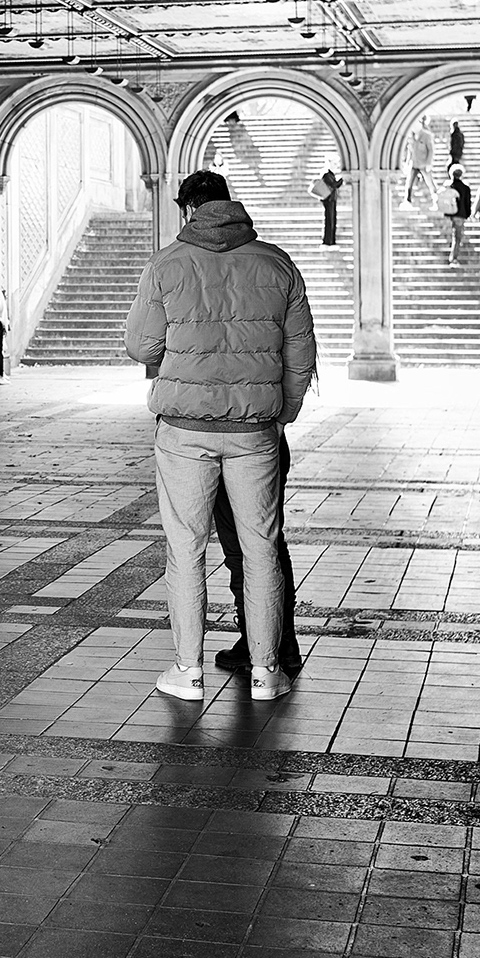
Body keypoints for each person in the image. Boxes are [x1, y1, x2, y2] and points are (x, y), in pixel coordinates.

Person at [124, 169, 316, 705]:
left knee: (186, 550)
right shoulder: (277, 263)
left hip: (185, 431)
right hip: (255, 431)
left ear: (187, 209)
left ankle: (187, 672)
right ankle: (266, 672)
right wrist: (281, 414)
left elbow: (140, 346)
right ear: (229, 203)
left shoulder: (166, 264)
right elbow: (301, 353)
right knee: (261, 550)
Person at [210, 431, 303, 675]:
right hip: (264, 435)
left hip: (230, 435)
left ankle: (260, 640)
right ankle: (280, 640)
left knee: (243, 550)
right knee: (267, 543)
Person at [445, 165, 472, 266]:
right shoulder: (465, 188)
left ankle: (452, 256)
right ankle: (453, 258)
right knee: (457, 237)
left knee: (454, 236)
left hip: (448, 213)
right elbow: (467, 203)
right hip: (459, 215)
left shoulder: (448, 186)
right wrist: (467, 214)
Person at [404, 119, 436, 205]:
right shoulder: (411, 136)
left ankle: (435, 198)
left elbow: (431, 150)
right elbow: (410, 151)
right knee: (409, 182)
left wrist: (429, 163)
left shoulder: (427, 136)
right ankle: (407, 200)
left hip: (424, 163)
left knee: (430, 182)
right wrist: (407, 162)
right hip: (414, 163)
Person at [314, 161, 344, 246]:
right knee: (329, 221)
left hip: (332, 200)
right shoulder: (327, 175)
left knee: (332, 220)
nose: (336, 166)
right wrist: (342, 179)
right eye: (335, 164)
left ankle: (332, 240)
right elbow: (334, 185)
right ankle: (327, 241)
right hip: (329, 200)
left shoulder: (330, 174)